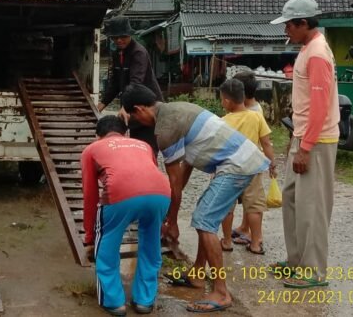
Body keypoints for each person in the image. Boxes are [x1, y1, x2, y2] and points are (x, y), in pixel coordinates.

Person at [121, 84, 269, 314]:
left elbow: (173, 182)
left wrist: (171, 221)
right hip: (239, 160)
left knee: (204, 220)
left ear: (139, 109)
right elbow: (185, 167)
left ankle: (221, 292)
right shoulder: (179, 109)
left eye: (133, 115)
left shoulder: (165, 128)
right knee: (204, 213)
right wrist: (172, 217)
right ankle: (198, 275)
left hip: (236, 165)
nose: (136, 120)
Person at [270, 0, 339, 288]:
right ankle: (297, 259)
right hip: (304, 136)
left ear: (303, 23)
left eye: (289, 24)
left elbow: (320, 105)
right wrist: (297, 139)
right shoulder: (306, 49)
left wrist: (307, 146)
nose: (286, 29)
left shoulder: (317, 54)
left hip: (318, 140)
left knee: (313, 206)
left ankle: (314, 270)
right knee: (293, 199)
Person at [81, 115, 170, 316]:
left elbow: (90, 194)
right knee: (150, 245)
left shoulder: (92, 149)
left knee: (107, 245)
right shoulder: (143, 145)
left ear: (98, 136)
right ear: (125, 133)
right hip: (161, 193)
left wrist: (89, 238)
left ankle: (114, 302)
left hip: (121, 194)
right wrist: (164, 219)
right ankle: (144, 301)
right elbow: (150, 174)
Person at [218, 79, 276, 255]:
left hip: (228, 171)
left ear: (227, 101)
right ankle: (256, 243)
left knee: (227, 207)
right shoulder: (256, 116)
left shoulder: (222, 122)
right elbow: (266, 143)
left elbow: (217, 149)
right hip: (252, 169)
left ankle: (227, 241)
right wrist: (272, 163)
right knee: (254, 207)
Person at [97, 16, 163, 154]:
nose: (119, 40)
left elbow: (136, 82)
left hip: (147, 107)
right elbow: (115, 82)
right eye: (115, 37)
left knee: (147, 147)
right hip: (132, 107)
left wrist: (124, 108)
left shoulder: (138, 53)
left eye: (123, 36)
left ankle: (148, 172)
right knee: (134, 146)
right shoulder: (117, 54)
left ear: (129, 35)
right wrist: (101, 104)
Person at [228, 71, 264, 245]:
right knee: (250, 200)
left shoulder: (251, 113)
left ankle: (252, 236)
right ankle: (245, 228)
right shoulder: (253, 109)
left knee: (249, 202)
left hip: (242, 164)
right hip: (254, 163)